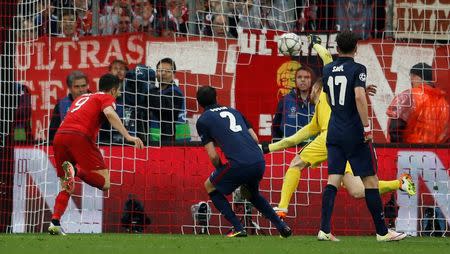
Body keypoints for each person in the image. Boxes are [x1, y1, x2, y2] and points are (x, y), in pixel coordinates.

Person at [261, 36, 416, 224]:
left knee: (296, 164)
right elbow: (298, 136)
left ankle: (283, 208)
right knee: (358, 190)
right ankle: (400, 182)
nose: (311, 92)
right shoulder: (319, 110)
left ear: (318, 89)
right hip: (345, 141)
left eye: (313, 89)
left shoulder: (327, 93)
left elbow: (327, 57)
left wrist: (315, 42)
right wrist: (270, 148)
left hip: (332, 137)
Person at [321, 30, 406, 241]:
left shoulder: (327, 69)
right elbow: (358, 97)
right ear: (356, 48)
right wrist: (367, 127)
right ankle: (382, 232)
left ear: (337, 48)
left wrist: (357, 90)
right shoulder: (358, 68)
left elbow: (333, 96)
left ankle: (324, 229)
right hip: (353, 132)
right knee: (370, 179)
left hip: (334, 131)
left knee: (334, 178)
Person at [48, 74, 144, 235]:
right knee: (105, 183)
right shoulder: (106, 97)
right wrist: (128, 136)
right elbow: (110, 113)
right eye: (118, 91)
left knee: (66, 184)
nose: (118, 94)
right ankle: (76, 171)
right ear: (113, 90)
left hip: (60, 136)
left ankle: (55, 222)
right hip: (79, 136)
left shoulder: (83, 97)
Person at [196, 86, 291, 237]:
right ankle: (282, 226)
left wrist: (222, 172)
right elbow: (255, 139)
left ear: (199, 103)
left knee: (209, 185)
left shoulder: (203, 120)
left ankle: (238, 227)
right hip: (258, 160)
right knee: (250, 193)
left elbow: (213, 156)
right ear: (216, 98)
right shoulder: (234, 111)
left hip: (239, 165)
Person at [386, 63, 450, 143]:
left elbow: (395, 129)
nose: (411, 81)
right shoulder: (444, 104)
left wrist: (399, 150)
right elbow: (446, 136)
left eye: (411, 77)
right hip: (435, 153)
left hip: (410, 152)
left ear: (415, 76)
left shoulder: (409, 96)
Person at [148, 58, 190, 143]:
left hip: (175, 142)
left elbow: (163, 110)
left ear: (173, 74)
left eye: (167, 71)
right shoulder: (156, 91)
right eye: (160, 70)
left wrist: (148, 90)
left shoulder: (175, 92)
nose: (163, 73)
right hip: (156, 140)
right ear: (156, 73)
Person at [272, 65, 316, 139]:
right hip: (290, 147)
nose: (302, 80)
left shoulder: (318, 100)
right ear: (295, 80)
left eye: (306, 77)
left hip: (312, 146)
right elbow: (276, 126)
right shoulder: (285, 100)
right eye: (299, 77)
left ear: (312, 80)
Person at [48, 71, 89, 142]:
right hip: (67, 145)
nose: (81, 90)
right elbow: (53, 133)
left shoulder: (96, 101)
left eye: (83, 86)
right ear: (70, 88)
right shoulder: (61, 105)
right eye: (77, 87)